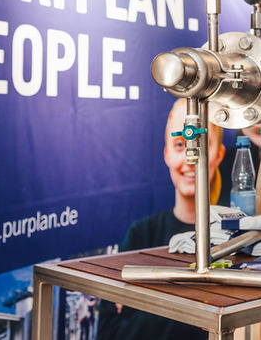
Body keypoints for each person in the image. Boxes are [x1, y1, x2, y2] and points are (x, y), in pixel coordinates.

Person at [96, 98, 226, 340]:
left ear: (219, 154)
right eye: (179, 145)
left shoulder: (233, 237)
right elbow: (107, 334)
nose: (190, 157)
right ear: (167, 154)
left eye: (200, 143)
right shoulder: (141, 235)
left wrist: (145, 305)